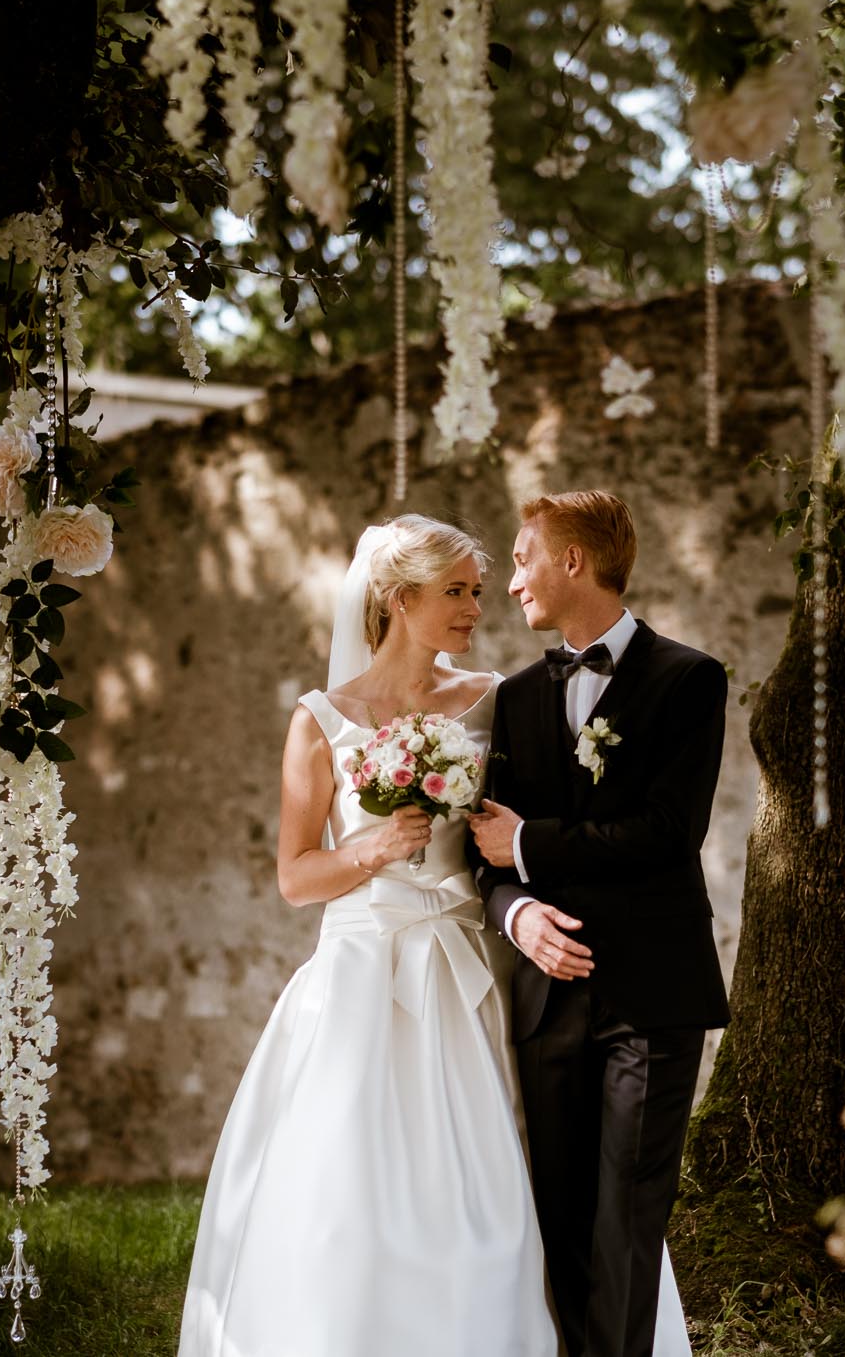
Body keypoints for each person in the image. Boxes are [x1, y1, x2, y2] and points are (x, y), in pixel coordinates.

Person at [175, 514, 558, 1357]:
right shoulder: (321, 720)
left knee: (491, 1178)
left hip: (467, 966)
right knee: (341, 1186)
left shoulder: (496, 697)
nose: (472, 608)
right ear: (397, 598)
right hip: (358, 971)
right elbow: (294, 876)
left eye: (477, 592)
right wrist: (375, 847)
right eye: (454, 591)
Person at [472, 490, 730, 1357]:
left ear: (571, 561)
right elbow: (484, 857)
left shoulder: (689, 679)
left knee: (627, 1222)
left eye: (521, 557)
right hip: (547, 1002)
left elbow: (668, 832)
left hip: (651, 997)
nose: (511, 583)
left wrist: (531, 847)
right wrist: (517, 917)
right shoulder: (511, 698)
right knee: (565, 1229)